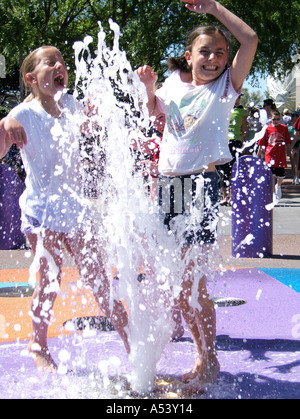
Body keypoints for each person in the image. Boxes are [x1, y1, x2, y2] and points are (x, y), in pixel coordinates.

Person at [135, 0, 258, 387]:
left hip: (200, 185)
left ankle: (208, 360)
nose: (214, 58)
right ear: (188, 56)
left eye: (220, 53)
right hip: (168, 185)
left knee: (191, 280)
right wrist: (150, 88)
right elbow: (152, 110)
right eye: (205, 51)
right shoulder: (173, 85)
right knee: (173, 278)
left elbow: (250, 39)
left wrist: (213, 8)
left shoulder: (225, 88)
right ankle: (199, 353)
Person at [0, 46, 129, 372]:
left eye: (62, 62)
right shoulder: (23, 114)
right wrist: (4, 122)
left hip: (75, 207)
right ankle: (38, 344)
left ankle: (133, 343)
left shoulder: (69, 104)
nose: (60, 66)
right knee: (49, 281)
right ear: (31, 78)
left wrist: (102, 113)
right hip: (42, 210)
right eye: (51, 62)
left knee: (99, 279)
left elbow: (90, 127)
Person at [217, 95, 248, 205]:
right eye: (235, 98)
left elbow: (244, 129)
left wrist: (243, 141)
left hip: (235, 142)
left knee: (233, 169)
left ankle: (232, 197)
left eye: (238, 98)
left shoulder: (241, 112)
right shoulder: (222, 109)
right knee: (222, 170)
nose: (236, 100)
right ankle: (225, 197)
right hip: (223, 142)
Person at [257, 110, 292, 201]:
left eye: (277, 119)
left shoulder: (284, 128)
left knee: (280, 175)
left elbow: (288, 140)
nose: (276, 121)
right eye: (274, 119)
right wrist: (259, 152)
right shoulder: (267, 129)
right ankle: (272, 193)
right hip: (270, 154)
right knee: (271, 174)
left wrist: (290, 149)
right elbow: (262, 142)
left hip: (280, 154)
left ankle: (279, 186)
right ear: (270, 119)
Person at [290, 112, 300, 185]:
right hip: (291, 143)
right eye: (292, 116)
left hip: (298, 143)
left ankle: (297, 176)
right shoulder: (289, 125)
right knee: (292, 160)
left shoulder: (298, 124)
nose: (293, 117)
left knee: (297, 160)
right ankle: (294, 175)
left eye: (295, 116)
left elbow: (297, 134)